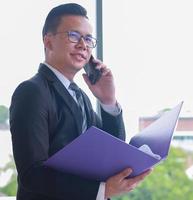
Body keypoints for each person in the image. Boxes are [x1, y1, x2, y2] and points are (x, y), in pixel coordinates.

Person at [10, 3, 151, 200]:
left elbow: (109, 151)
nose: (83, 45)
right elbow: (32, 174)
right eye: (73, 36)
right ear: (48, 41)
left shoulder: (80, 96)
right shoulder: (32, 92)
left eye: (88, 39)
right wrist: (102, 191)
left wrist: (108, 101)